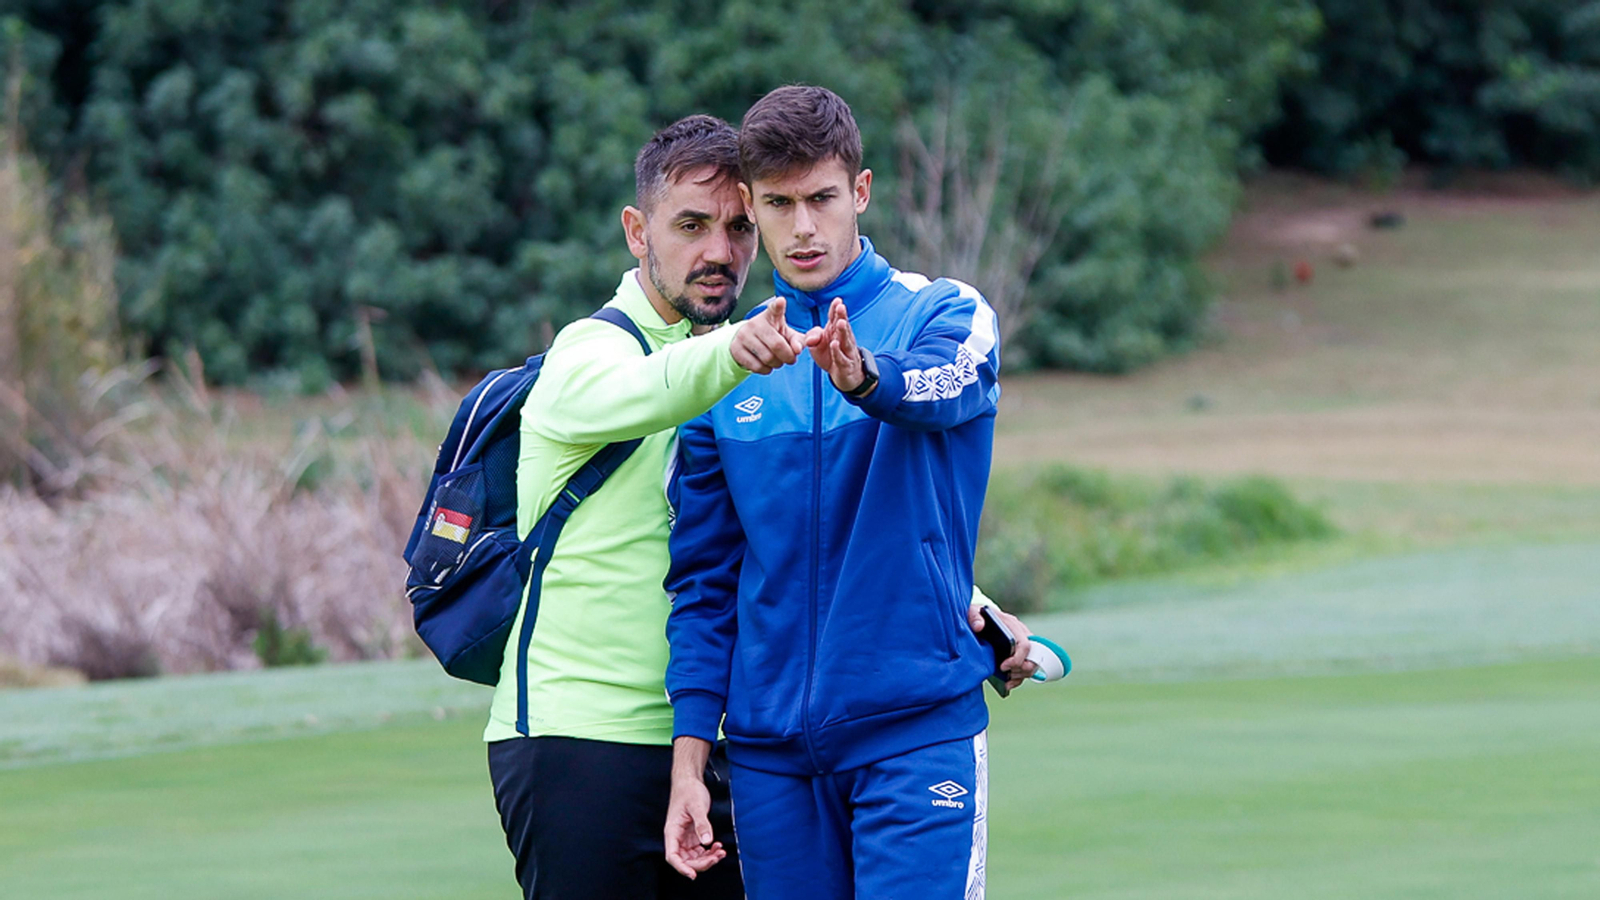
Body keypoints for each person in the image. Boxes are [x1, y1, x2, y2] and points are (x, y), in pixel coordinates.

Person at [663, 85, 1028, 900]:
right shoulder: (726, 367)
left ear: (859, 193)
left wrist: (864, 376)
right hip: (767, 760)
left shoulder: (944, 313)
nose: (803, 228)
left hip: (914, 737)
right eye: (779, 204)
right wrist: (692, 760)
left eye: (822, 199)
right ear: (751, 209)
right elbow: (702, 585)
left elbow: (948, 385)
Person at [483, 114, 810, 900]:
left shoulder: (744, 366)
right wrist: (736, 351)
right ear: (638, 231)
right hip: (577, 740)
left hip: (710, 744)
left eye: (739, 227)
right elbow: (654, 388)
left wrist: (966, 602)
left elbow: (809, 526)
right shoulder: (588, 353)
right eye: (691, 225)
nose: (719, 252)